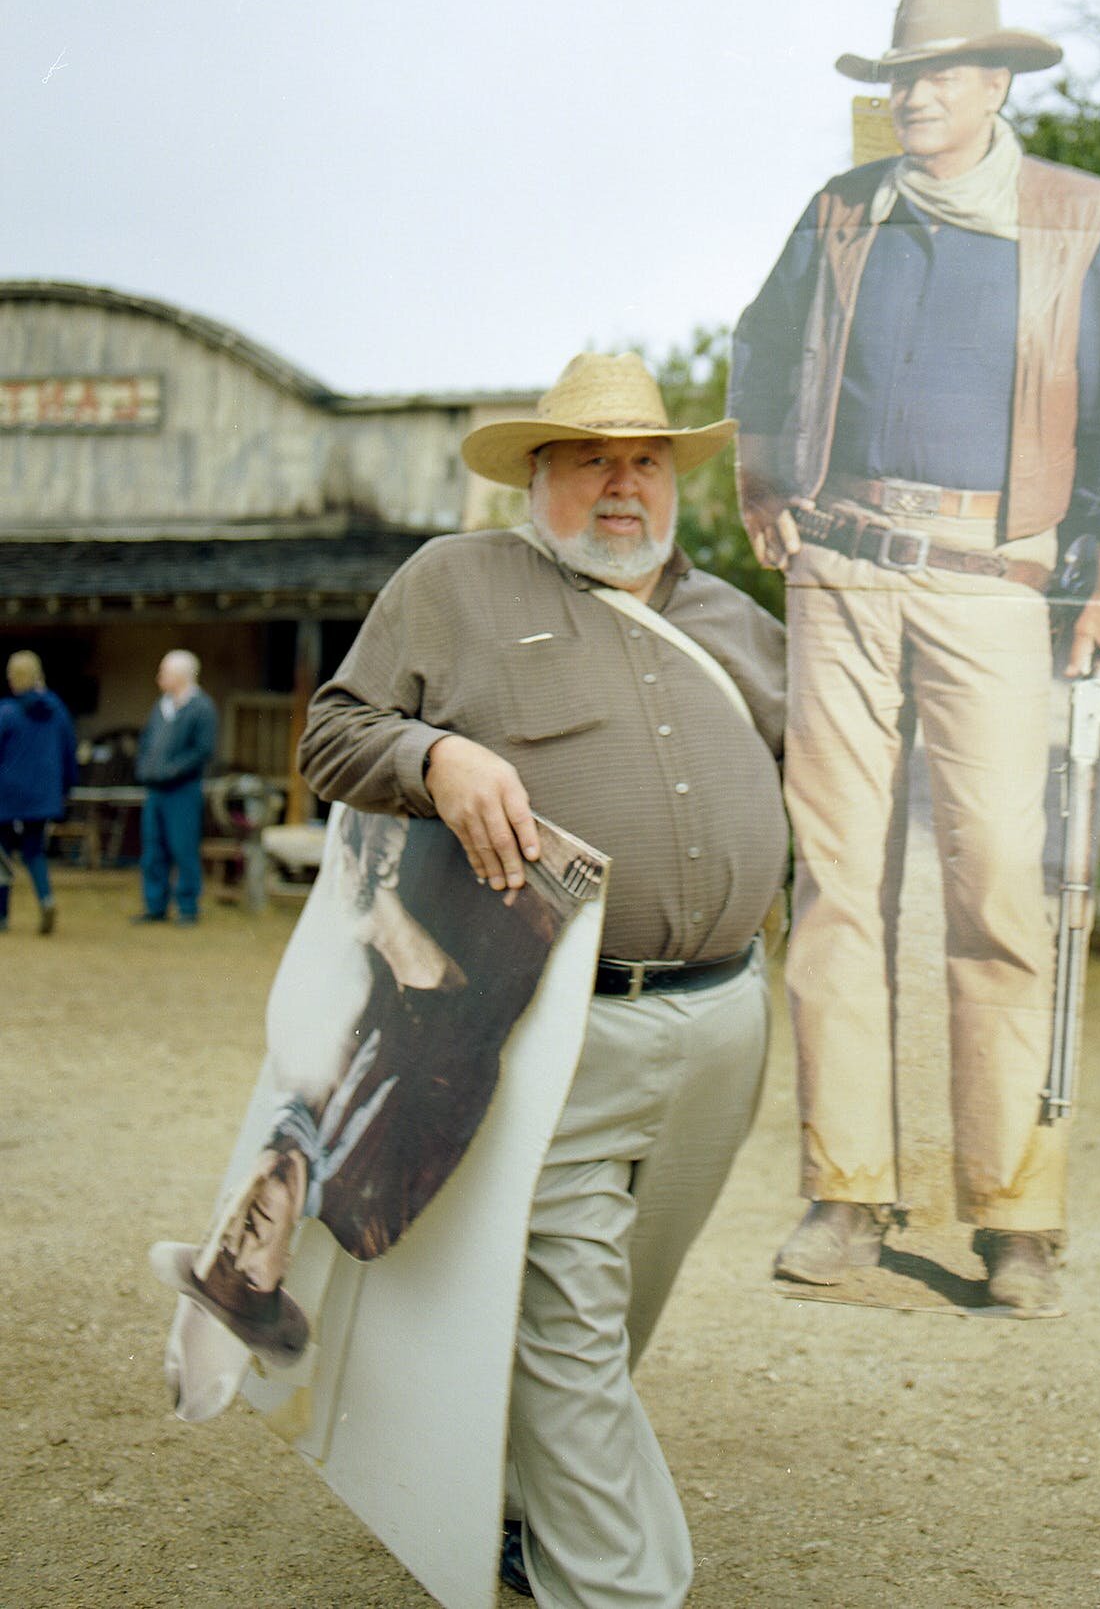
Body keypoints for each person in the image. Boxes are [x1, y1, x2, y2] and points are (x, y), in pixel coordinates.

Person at [298, 351, 788, 1609]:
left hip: (730, 1017)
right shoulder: (450, 585)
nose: (623, 486)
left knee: (621, 1306)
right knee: (569, 1318)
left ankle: (516, 1497)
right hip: (552, 1024)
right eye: (590, 460)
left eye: (645, 462)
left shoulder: (737, 621)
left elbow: (847, 773)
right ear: (538, 472)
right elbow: (333, 735)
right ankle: (614, 1586)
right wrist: (435, 755)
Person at [729, 0, 1100, 1313]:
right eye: (899, 71)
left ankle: (1016, 1218)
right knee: (840, 887)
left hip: (997, 580)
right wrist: (761, 485)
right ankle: (845, 1193)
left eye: (940, 70)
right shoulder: (841, 209)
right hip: (844, 570)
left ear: (998, 86)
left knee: (998, 887)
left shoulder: (1082, 215)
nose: (912, 91)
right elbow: (757, 348)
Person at [133, 649, 218, 925]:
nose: (159, 678)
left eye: (164, 672)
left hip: (182, 790)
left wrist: (171, 770)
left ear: (181, 676)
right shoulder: (161, 706)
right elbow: (146, 743)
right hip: (156, 790)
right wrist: (146, 768)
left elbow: (203, 751)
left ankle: (187, 907)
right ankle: (155, 905)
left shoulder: (201, 708)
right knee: (153, 849)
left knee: (183, 848)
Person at [0, 650, 79, 935]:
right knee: (34, 852)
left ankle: (2, 915)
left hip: (6, 797)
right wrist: (67, 788)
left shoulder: (6, 712)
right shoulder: (57, 710)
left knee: (3, 854)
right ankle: (46, 898)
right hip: (42, 798)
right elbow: (69, 751)